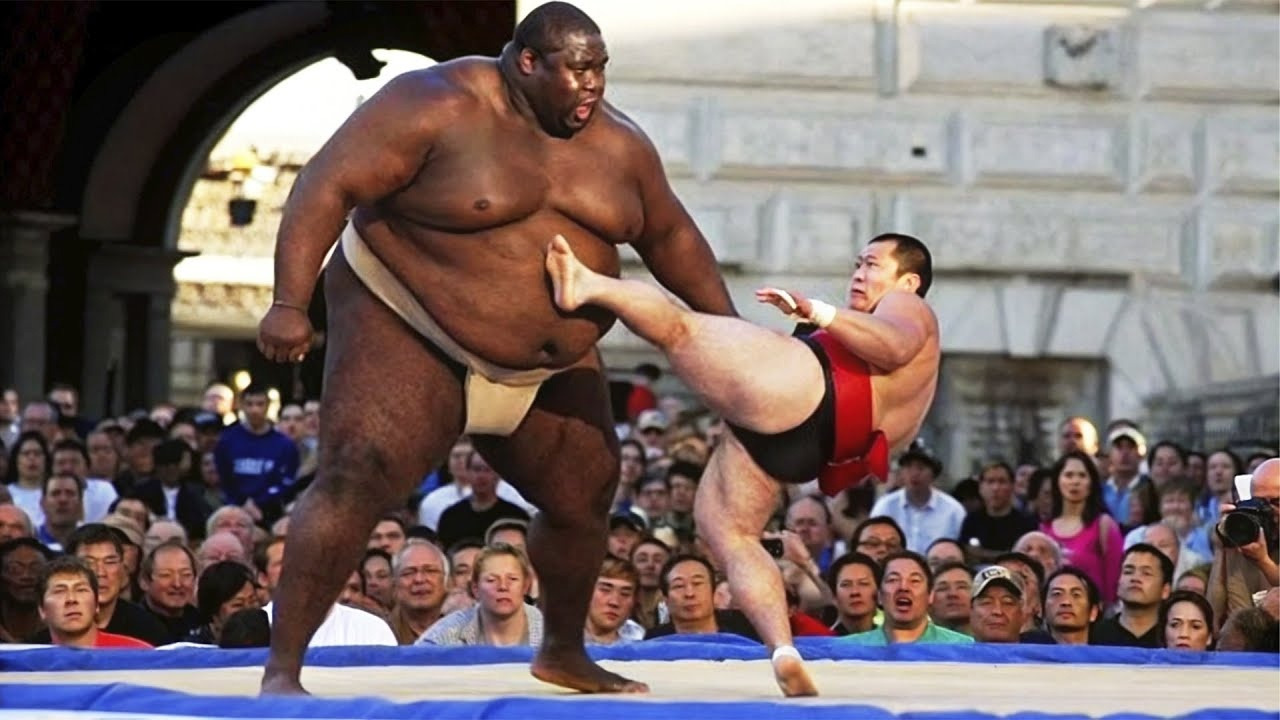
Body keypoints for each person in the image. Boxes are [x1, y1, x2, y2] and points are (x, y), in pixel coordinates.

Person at [253, 2, 733, 695]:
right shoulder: (434, 104)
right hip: (410, 325)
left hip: (552, 362)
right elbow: (327, 185)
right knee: (356, 478)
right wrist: (289, 303)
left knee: (585, 495)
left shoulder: (619, 144)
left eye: (600, 69)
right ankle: (284, 669)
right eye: (577, 70)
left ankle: (562, 651)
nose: (593, 85)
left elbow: (670, 239)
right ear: (527, 62)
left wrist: (731, 334)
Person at [546, 232, 939, 696]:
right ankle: (783, 650)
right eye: (857, 264)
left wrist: (817, 312)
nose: (859, 273)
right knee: (730, 533)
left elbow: (893, 347)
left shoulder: (909, 307)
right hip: (811, 448)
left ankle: (586, 285)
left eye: (872, 264)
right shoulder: (915, 372)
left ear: (909, 281)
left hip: (806, 392)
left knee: (680, 328)